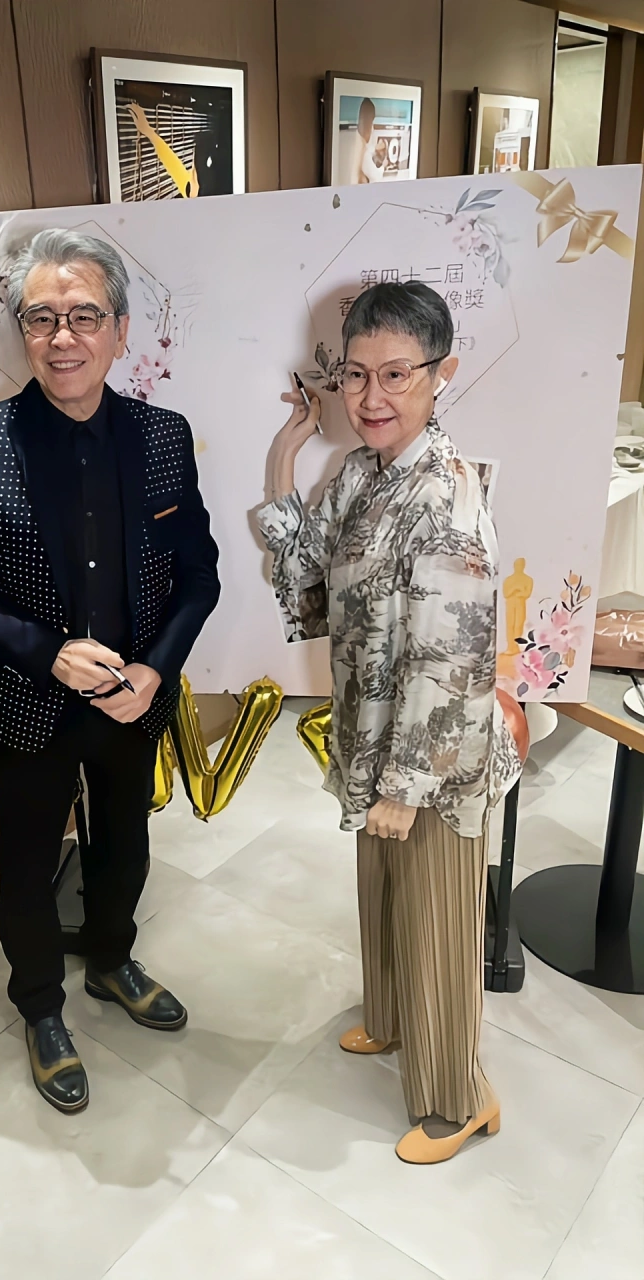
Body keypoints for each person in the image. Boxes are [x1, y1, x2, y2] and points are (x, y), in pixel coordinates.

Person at [0, 229, 220, 1114]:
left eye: (85, 316)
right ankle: (39, 1007)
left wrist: (156, 672)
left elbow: (199, 576)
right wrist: (45, 650)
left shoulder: (163, 437)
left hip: (132, 700)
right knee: (27, 861)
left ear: (120, 332)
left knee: (125, 844)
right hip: (26, 699)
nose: (64, 337)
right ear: (21, 332)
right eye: (42, 318)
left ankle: (111, 961)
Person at [258, 281, 521, 1164]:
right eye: (356, 375)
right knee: (386, 900)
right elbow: (307, 577)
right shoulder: (360, 473)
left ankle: (459, 1101)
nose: (371, 397)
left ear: (442, 374)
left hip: (434, 763)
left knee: (439, 925)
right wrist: (285, 458)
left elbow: (455, 661)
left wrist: (407, 787)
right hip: (375, 738)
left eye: (397, 374)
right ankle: (393, 1021)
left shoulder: (447, 497)